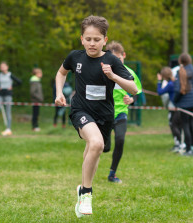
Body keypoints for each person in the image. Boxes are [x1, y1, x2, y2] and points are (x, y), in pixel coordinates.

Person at [54, 15, 138, 218]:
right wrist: (58, 92)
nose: (92, 43)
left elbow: (133, 89)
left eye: (97, 39)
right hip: (81, 110)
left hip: (105, 115)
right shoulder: (75, 57)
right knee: (97, 143)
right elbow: (61, 73)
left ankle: (82, 187)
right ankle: (86, 194)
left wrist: (113, 76)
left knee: (96, 147)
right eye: (88, 39)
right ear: (81, 38)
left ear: (105, 40)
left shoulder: (111, 61)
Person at [103, 41, 142, 183]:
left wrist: (131, 99)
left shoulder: (129, 73)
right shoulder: (103, 72)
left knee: (120, 140)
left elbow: (137, 92)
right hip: (104, 114)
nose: (116, 63)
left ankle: (112, 174)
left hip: (120, 113)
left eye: (118, 59)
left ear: (123, 56)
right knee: (104, 147)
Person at [173, 53, 193, 157]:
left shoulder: (180, 72)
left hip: (184, 103)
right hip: (192, 102)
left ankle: (188, 149)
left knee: (186, 126)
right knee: (192, 126)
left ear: (180, 61)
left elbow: (177, 90)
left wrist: (175, 102)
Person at [0, 61, 22, 136]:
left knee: (8, 112)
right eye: (1, 67)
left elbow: (20, 82)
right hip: (0, 95)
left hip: (8, 95)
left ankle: (8, 129)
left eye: (4, 66)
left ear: (7, 67)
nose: (2, 68)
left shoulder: (10, 75)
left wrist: (12, 86)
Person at [157, 67, 183, 152]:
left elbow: (160, 92)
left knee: (173, 125)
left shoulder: (170, 84)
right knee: (178, 125)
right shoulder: (175, 81)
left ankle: (180, 144)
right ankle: (179, 143)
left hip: (174, 108)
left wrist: (159, 81)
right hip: (180, 106)